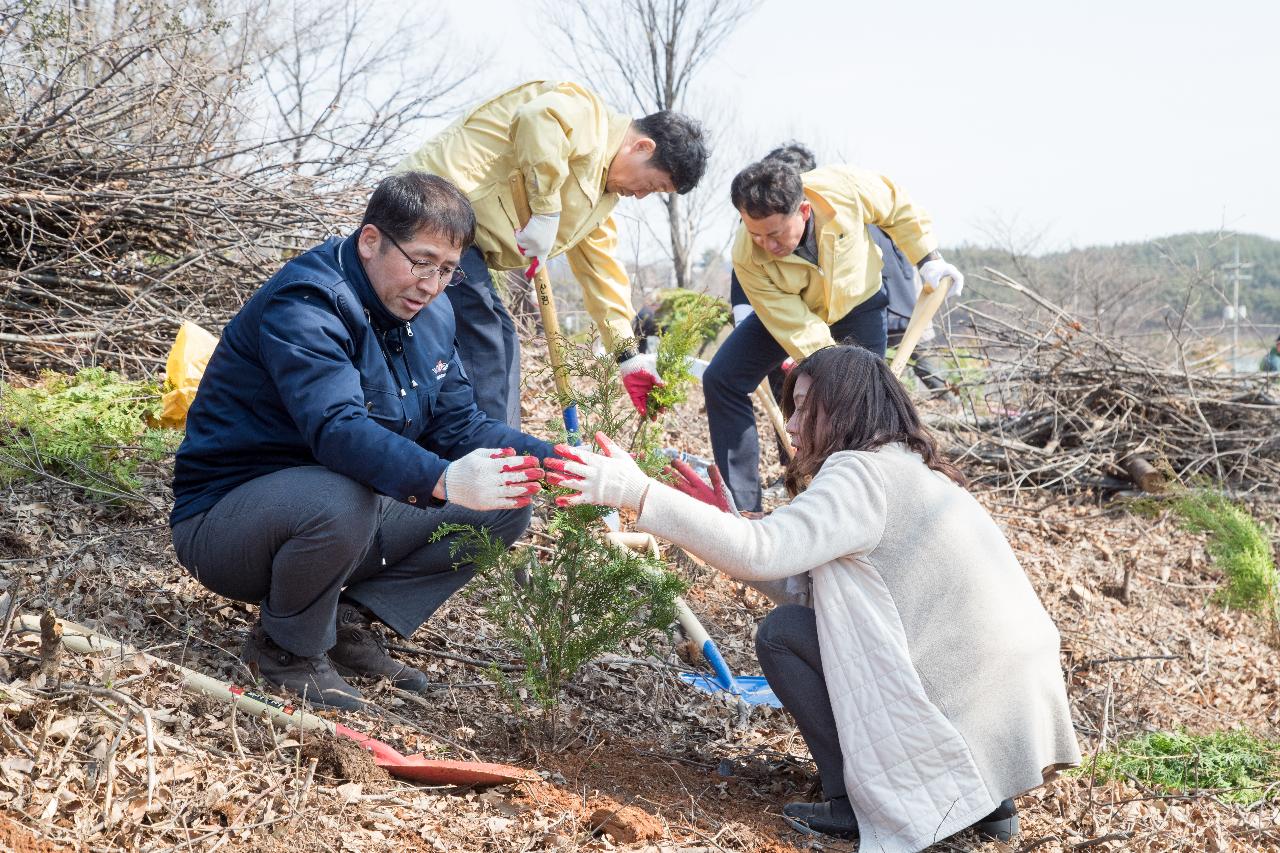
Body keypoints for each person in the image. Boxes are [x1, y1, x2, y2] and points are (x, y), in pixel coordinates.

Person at [545, 345, 1081, 850]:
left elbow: (761, 553)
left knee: (783, 636)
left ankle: (853, 800)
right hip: (1009, 701)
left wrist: (636, 492)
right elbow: (800, 581)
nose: (793, 426)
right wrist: (722, 523)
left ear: (843, 408)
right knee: (801, 623)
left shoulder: (859, 474)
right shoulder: (913, 472)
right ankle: (989, 800)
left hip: (963, 702)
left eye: (804, 408)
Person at [170, 173, 554, 710]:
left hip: (342, 509)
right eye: (420, 261)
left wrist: (559, 463)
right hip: (230, 522)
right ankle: (287, 650)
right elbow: (338, 431)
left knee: (506, 502)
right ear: (370, 240)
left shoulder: (433, 313)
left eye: (447, 270)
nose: (431, 284)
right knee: (343, 497)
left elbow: (459, 426)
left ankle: (346, 625)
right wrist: (444, 479)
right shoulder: (308, 301)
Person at [398, 80, 709, 425]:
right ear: (642, 146)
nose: (640, 196)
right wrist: (546, 210)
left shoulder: (600, 200)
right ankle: (480, 450)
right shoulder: (588, 116)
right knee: (483, 338)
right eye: (651, 185)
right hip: (432, 207)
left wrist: (627, 356)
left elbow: (601, 272)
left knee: (503, 339)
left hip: (467, 242)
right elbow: (538, 118)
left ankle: (505, 444)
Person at [706, 158, 965, 512]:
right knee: (722, 378)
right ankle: (742, 507)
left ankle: (864, 505)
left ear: (804, 210)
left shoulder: (842, 189)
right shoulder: (747, 254)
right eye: (756, 234)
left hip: (858, 303)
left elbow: (896, 206)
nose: (766, 244)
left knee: (865, 410)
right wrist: (837, 373)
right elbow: (794, 324)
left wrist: (927, 257)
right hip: (793, 312)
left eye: (776, 233)